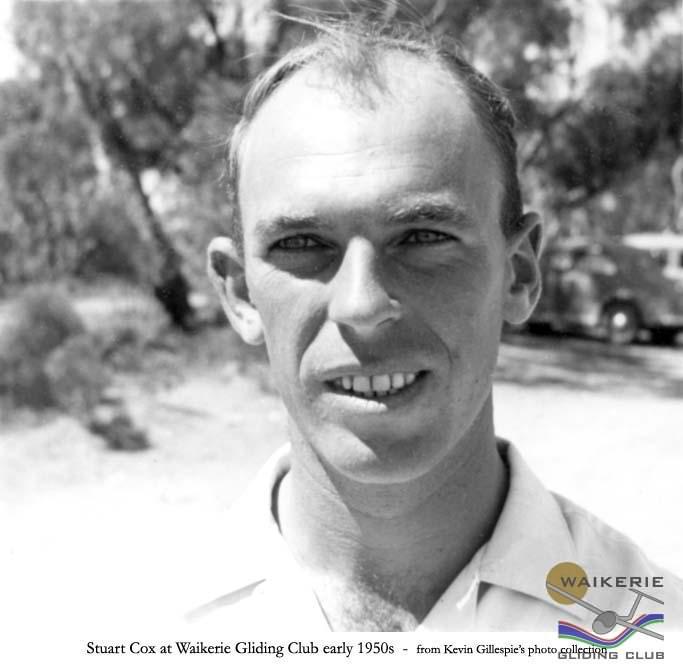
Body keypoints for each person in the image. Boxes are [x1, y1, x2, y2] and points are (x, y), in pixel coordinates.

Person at [196, 20, 683, 632]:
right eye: (301, 244)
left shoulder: (654, 632)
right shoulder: (132, 627)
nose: (361, 304)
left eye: (422, 237)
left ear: (519, 274)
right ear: (240, 293)